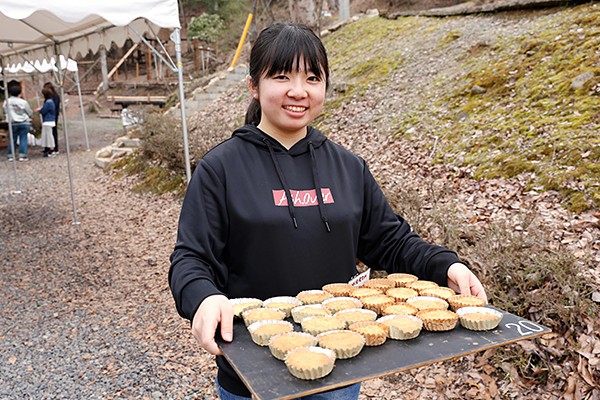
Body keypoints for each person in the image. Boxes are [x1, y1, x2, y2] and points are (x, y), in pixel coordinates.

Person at [169, 22, 487, 400]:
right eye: (282, 76)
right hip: (253, 372)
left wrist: (445, 265)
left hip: (337, 366)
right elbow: (191, 258)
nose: (298, 91)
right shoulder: (221, 168)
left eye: (312, 78)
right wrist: (203, 297)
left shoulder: (348, 168)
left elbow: (390, 240)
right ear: (254, 85)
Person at [2, 84, 33, 161]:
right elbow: (29, 112)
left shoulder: (6, 102)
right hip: (24, 122)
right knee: (23, 138)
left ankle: (11, 155)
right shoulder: (23, 102)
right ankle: (22, 155)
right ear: (20, 93)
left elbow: (4, 111)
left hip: (12, 123)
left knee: (12, 139)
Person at [37, 87, 57, 157]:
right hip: (50, 120)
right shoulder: (51, 101)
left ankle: (52, 149)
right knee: (48, 135)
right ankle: (50, 149)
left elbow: (43, 111)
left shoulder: (48, 102)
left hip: (48, 121)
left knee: (49, 136)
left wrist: (39, 110)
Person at [43, 82, 60, 155]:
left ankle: (54, 148)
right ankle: (48, 147)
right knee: (49, 133)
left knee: (52, 132)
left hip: (52, 116)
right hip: (52, 116)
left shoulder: (54, 97)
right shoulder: (52, 97)